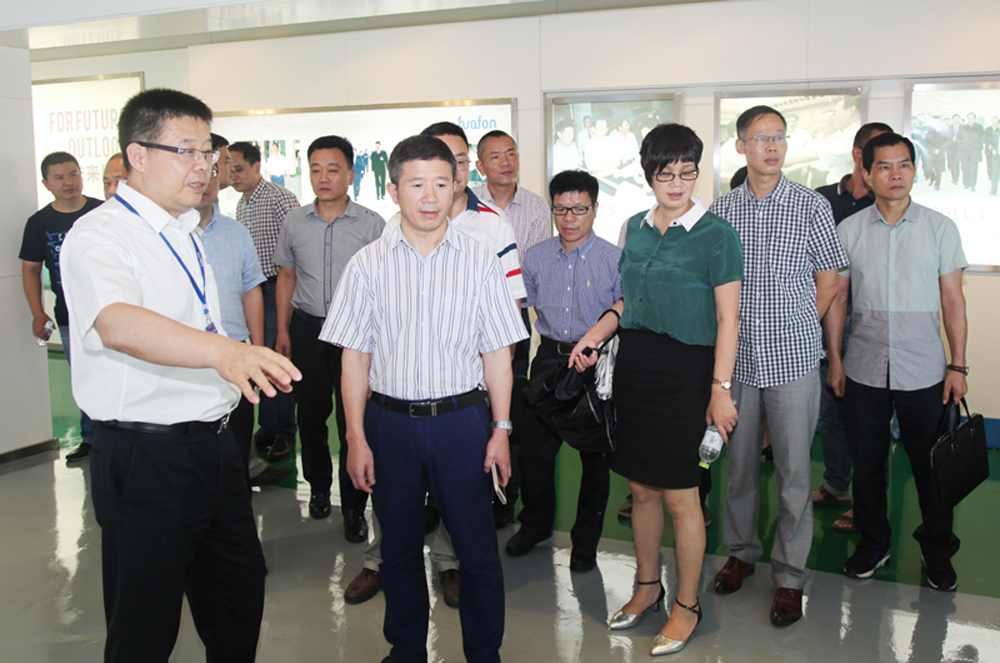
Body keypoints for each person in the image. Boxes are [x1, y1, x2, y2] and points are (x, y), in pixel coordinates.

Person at [60, 87, 300, 662]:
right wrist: (225, 353)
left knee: (237, 595)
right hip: (147, 457)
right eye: (186, 151)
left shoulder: (185, 229)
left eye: (208, 153)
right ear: (138, 155)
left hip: (215, 448)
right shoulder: (99, 235)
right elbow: (117, 322)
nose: (204, 166)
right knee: (145, 625)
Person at [321, 134, 527, 663]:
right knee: (397, 548)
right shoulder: (367, 264)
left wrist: (501, 429)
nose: (430, 196)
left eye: (441, 182)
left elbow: (498, 353)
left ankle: (484, 653)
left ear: (457, 184)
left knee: (477, 550)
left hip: (462, 423)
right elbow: (354, 359)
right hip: (390, 424)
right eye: (416, 184)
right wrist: (355, 437)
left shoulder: (481, 260)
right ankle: (406, 650)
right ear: (394, 191)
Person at [571, 124, 743, 655]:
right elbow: (630, 299)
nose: (677, 184)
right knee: (641, 489)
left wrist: (720, 389)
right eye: (666, 174)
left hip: (688, 373)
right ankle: (648, 587)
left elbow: (728, 318)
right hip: (637, 367)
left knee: (681, 496)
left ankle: (687, 605)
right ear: (649, 175)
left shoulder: (717, 234)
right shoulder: (636, 228)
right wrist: (596, 333)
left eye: (687, 173)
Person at [708, 105, 847, 627]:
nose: (772, 146)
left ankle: (790, 577)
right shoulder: (723, 210)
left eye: (780, 137)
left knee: (793, 473)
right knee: (739, 468)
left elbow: (829, 278)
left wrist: (799, 323)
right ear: (741, 146)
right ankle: (742, 552)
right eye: (761, 138)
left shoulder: (811, 205)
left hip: (793, 360)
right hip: (739, 361)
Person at [828, 132, 968, 590]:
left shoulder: (940, 228)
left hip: (924, 369)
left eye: (904, 164)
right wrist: (836, 359)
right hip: (864, 366)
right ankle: (874, 543)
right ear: (867, 174)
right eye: (884, 166)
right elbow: (839, 300)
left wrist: (958, 366)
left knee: (931, 468)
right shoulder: (850, 230)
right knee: (868, 465)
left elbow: (953, 301)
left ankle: (937, 550)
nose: (895, 174)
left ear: (914, 170)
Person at [506, 169, 621, 572]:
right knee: (535, 454)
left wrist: (597, 345)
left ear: (595, 208)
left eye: (579, 209)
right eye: (561, 209)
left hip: (596, 365)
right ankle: (535, 525)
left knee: (595, 462)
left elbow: (624, 310)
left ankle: (585, 542)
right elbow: (521, 307)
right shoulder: (536, 256)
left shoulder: (613, 259)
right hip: (550, 362)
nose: (569, 218)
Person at [273, 135, 385, 534]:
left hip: (355, 337)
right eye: (316, 170)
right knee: (310, 417)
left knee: (353, 421)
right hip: (307, 330)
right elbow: (287, 276)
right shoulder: (294, 221)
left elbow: (384, 288)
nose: (324, 178)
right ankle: (319, 489)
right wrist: (282, 329)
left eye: (333, 169)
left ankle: (355, 507)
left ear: (351, 175)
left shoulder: (372, 224)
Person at [196, 133, 291, 491]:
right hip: (194, 349)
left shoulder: (270, 204)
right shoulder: (239, 208)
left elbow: (256, 282)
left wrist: (256, 343)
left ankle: (277, 436)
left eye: (219, 167)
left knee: (268, 370)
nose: (222, 175)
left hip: (272, 291)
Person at [812, 122, 893, 534]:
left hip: (870, 327)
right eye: (877, 155)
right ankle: (836, 485)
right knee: (832, 410)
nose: (887, 168)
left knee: (868, 420)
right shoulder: (822, 201)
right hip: (828, 320)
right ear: (858, 155)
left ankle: (867, 503)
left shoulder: (887, 205)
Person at [19, 151, 103, 462]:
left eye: (73, 174)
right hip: (70, 317)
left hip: (110, 312)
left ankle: (120, 436)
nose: (68, 182)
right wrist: (37, 312)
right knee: (83, 377)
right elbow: (30, 269)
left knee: (117, 373)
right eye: (59, 177)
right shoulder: (39, 223)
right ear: (46, 183)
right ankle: (91, 438)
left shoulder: (102, 211)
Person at [229, 140, 301, 460]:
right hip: (252, 292)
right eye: (229, 170)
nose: (233, 175)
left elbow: (297, 247)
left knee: (275, 358)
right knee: (259, 358)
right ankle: (268, 427)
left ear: (257, 167)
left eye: (238, 169)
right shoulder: (241, 205)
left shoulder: (279, 198)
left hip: (277, 289)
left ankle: (284, 431)